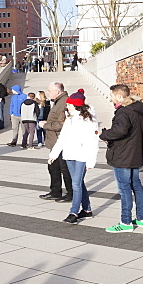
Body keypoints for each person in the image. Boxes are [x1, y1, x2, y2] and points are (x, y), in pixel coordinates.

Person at [99, 83, 143, 232]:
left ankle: (125, 222)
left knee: (125, 188)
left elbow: (120, 131)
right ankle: (141, 218)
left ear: (119, 96)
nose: (110, 99)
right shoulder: (137, 110)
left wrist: (104, 135)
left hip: (123, 155)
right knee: (136, 186)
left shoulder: (124, 112)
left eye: (112, 96)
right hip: (134, 154)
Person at [49, 92, 98, 223]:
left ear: (75, 105)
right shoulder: (69, 118)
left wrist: (91, 161)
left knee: (75, 184)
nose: (67, 105)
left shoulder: (88, 119)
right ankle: (87, 210)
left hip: (82, 156)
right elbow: (62, 138)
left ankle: (74, 212)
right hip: (69, 154)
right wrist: (53, 154)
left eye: (69, 103)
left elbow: (93, 140)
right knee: (79, 183)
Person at [39, 82, 72, 203]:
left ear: (57, 91)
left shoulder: (64, 102)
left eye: (49, 90)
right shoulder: (58, 101)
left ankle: (71, 193)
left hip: (61, 141)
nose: (48, 93)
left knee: (64, 168)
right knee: (53, 167)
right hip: (55, 141)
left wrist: (45, 125)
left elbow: (62, 124)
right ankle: (55, 191)